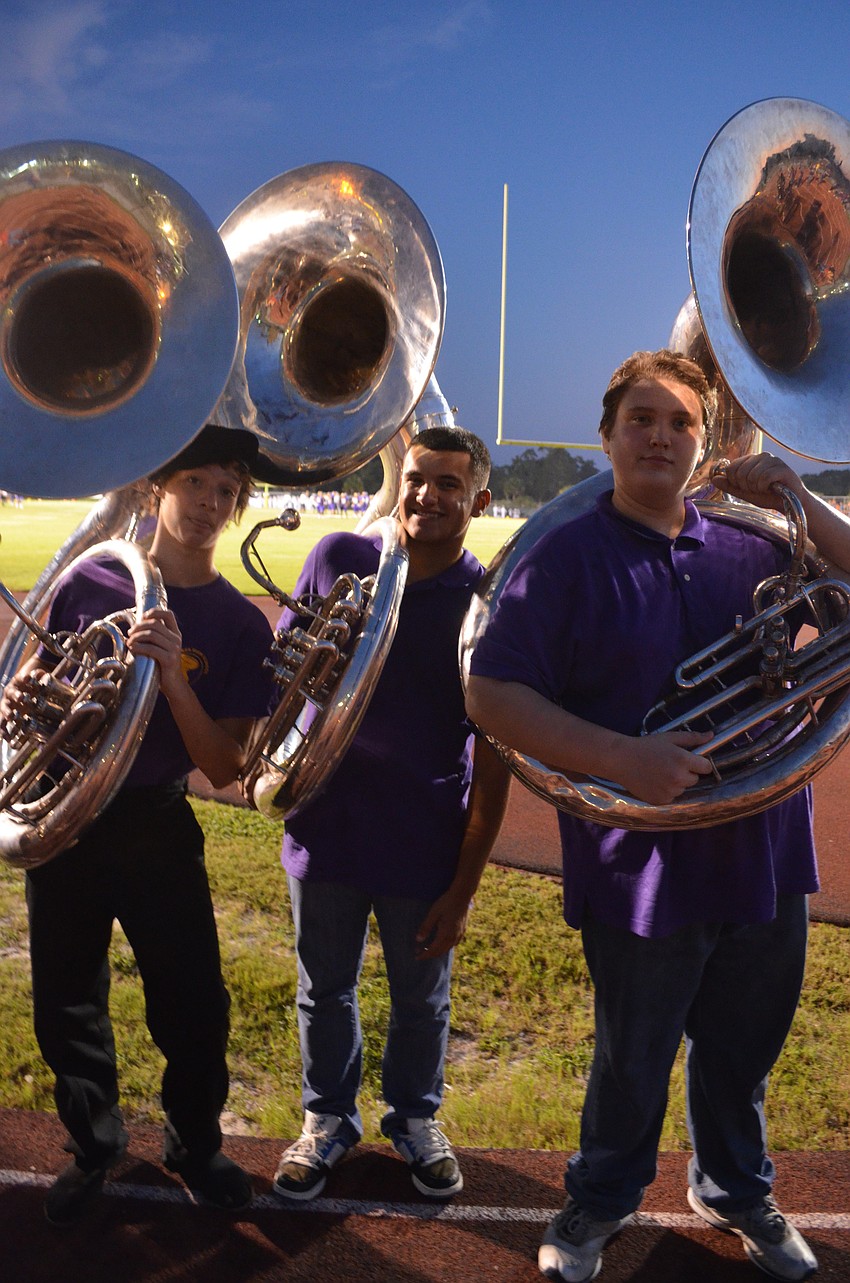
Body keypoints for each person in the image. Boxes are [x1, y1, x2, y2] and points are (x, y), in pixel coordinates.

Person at [465, 350, 850, 1282]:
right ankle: (598, 1201)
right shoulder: (561, 552)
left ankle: (734, 1189)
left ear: (704, 441)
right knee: (632, 1055)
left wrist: (800, 497)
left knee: (744, 1042)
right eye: (642, 418)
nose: (661, 436)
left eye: (681, 422)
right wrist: (625, 758)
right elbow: (492, 693)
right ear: (606, 436)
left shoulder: (755, 540)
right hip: (636, 856)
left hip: (761, 845)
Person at [3, 424, 276, 1226]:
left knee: (194, 998)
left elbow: (227, 764)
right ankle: (93, 1144)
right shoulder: (93, 578)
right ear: (160, 487)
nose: (208, 503)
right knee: (65, 997)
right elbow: (35, 675)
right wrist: (23, 696)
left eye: (226, 492)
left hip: (158, 823)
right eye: (195, 482)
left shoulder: (238, 624)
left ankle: (195, 1142)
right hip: (70, 812)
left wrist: (173, 678)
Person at [272, 425, 510, 1202]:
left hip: (422, 840)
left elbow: (496, 767)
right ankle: (328, 1118)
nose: (426, 495)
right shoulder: (341, 559)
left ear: (477, 499)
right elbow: (283, 682)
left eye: (448, 484)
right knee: (324, 988)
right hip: (326, 826)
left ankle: (414, 1117)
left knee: (420, 1000)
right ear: (397, 481)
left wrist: (465, 888)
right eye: (415, 477)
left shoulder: (488, 604)